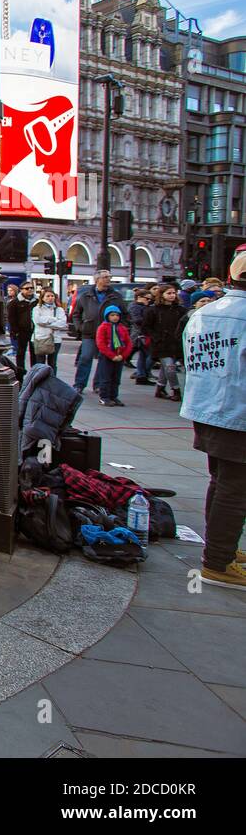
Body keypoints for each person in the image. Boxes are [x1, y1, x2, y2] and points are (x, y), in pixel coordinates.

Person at [180, 251, 246, 590]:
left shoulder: (206, 312)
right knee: (235, 489)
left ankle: (222, 548)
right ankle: (218, 561)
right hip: (237, 412)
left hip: (206, 407)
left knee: (220, 482)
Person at [70, 269, 125, 393]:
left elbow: (124, 314)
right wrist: (80, 326)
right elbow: (76, 314)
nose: (108, 280)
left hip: (108, 333)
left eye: (109, 277)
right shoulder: (86, 296)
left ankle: (99, 385)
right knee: (85, 357)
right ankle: (79, 384)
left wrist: (119, 327)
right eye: (105, 277)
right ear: (97, 279)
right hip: (89, 332)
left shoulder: (115, 296)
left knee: (104, 359)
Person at [143, 283, 186, 401]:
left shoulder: (180, 310)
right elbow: (146, 327)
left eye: (174, 293)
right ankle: (176, 390)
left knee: (166, 367)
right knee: (170, 367)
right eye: (169, 293)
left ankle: (160, 388)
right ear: (161, 295)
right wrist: (156, 337)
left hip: (175, 343)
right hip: (160, 344)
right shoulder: (153, 310)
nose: (172, 295)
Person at [94, 304, 132, 407]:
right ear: (107, 316)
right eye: (112, 315)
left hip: (119, 356)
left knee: (116, 378)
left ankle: (114, 396)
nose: (115, 317)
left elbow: (128, 343)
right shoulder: (103, 327)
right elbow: (101, 343)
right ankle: (104, 397)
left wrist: (123, 356)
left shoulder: (122, 328)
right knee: (105, 377)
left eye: (117, 315)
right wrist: (111, 355)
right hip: (107, 356)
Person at [31, 288, 69, 374]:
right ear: (42, 298)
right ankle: (40, 382)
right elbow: (38, 321)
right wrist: (53, 319)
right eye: (47, 296)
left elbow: (62, 323)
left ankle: (52, 382)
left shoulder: (59, 310)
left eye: (52, 296)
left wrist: (47, 324)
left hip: (55, 339)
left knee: (52, 363)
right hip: (40, 338)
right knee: (40, 363)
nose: (50, 298)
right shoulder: (37, 309)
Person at [7, 280, 38, 381]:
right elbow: (12, 319)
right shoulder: (15, 303)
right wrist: (15, 331)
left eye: (31, 288)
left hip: (35, 331)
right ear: (21, 290)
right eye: (27, 288)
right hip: (22, 331)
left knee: (35, 353)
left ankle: (34, 375)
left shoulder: (37, 301)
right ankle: (20, 374)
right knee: (21, 353)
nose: (30, 290)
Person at [128, 288, 153, 384]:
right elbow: (137, 320)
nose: (149, 301)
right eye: (147, 299)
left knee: (143, 355)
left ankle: (141, 374)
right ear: (139, 298)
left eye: (150, 299)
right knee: (150, 355)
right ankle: (142, 374)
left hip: (143, 334)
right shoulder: (135, 307)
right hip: (140, 334)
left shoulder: (144, 306)